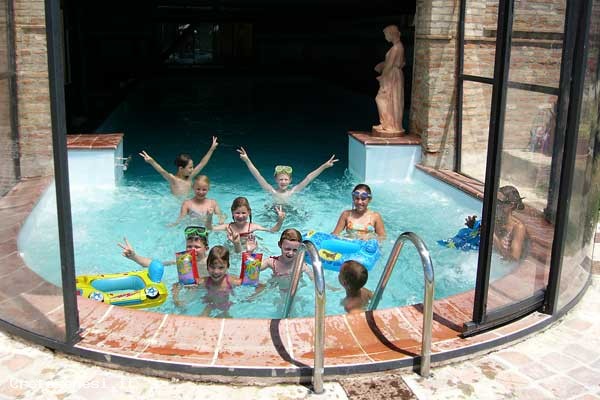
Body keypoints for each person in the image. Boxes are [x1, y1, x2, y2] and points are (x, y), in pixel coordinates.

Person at [236, 147, 338, 204]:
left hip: (290, 212)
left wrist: (324, 166)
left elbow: (309, 178)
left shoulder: (293, 191)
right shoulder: (272, 191)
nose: (283, 182)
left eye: (285, 179)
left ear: (290, 180)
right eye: (281, 179)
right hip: (273, 213)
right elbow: (258, 176)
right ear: (276, 180)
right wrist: (247, 160)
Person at [139, 136, 219, 196]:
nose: (192, 169)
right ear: (181, 168)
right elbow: (162, 171)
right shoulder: (173, 180)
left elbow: (202, 163)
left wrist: (212, 149)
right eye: (190, 167)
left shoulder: (190, 177)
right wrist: (152, 161)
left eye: (192, 167)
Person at [176, 245, 242, 317]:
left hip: (224, 305)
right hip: (209, 304)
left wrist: (250, 297)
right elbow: (177, 285)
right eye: (212, 267)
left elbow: (249, 284)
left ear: (227, 267)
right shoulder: (204, 281)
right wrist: (176, 299)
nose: (216, 271)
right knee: (201, 318)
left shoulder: (231, 281)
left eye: (221, 268)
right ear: (207, 266)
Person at [118, 226, 210, 275]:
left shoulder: (211, 261)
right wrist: (134, 256)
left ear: (206, 249)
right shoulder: (184, 260)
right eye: (189, 246)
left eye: (197, 247)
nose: (193, 250)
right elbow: (154, 264)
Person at [212, 197, 286, 253]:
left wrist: (280, 221)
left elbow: (273, 230)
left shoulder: (253, 227)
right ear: (232, 212)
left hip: (249, 249)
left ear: (249, 212)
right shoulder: (228, 227)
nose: (240, 216)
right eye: (237, 213)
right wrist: (209, 218)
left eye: (243, 213)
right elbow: (210, 228)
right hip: (233, 250)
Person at [373, 25, 405, 135]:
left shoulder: (396, 48)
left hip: (391, 76)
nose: (385, 37)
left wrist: (382, 77)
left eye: (386, 34)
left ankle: (388, 124)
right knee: (389, 99)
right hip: (394, 74)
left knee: (381, 98)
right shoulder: (399, 46)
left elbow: (389, 65)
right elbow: (402, 62)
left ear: (391, 34)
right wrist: (381, 65)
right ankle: (386, 123)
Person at [494, 185, 528, 261]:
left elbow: (514, 259)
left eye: (499, 202)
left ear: (511, 205)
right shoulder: (495, 220)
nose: (495, 204)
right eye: (495, 200)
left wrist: (495, 240)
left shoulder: (518, 227)